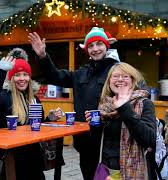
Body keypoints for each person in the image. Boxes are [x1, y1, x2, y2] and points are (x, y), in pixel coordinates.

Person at [28, 27, 120, 180]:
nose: (95, 49)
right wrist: (43, 56)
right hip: (85, 142)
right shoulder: (81, 73)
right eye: (91, 45)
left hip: (108, 143)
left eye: (99, 44)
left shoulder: (116, 71)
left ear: (106, 46)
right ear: (86, 49)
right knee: (89, 176)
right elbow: (55, 76)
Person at [0, 56, 64, 179]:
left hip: (33, 157)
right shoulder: (4, 97)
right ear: (12, 78)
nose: (22, 78)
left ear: (29, 77)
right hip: (11, 157)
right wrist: (0, 71)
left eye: (25, 74)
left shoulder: (34, 99)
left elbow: (36, 126)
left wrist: (49, 118)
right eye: (17, 75)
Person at [86, 62, 156, 179]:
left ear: (133, 81)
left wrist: (124, 108)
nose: (120, 79)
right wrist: (95, 126)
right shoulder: (105, 105)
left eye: (125, 76)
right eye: (115, 76)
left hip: (131, 171)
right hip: (106, 170)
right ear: (109, 82)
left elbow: (149, 139)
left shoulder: (145, 103)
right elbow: (97, 142)